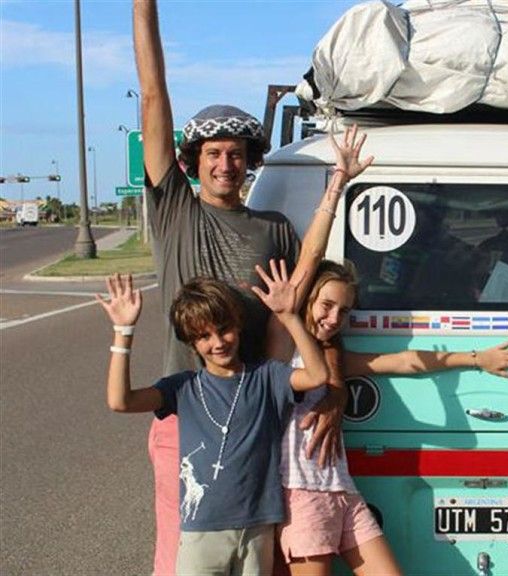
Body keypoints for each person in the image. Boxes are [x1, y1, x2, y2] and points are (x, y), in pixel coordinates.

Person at [133, 2, 341, 572]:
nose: (225, 164)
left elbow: (310, 310)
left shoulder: (273, 228)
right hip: (186, 414)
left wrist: (336, 390)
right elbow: (153, 96)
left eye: (235, 154)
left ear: (250, 162)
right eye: (212, 154)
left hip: (255, 417)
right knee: (182, 555)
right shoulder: (176, 210)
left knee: (256, 557)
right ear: (192, 163)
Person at [274, 259, 508, 576]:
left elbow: (404, 361)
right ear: (307, 300)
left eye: (344, 311)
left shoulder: (335, 360)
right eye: (326, 306)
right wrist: (328, 206)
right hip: (301, 495)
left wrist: (477, 359)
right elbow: (310, 257)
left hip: (343, 491)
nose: (333, 319)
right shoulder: (283, 353)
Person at [97, 265, 328, 576]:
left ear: (238, 324)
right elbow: (120, 401)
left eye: (224, 328)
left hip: (257, 527)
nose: (218, 342)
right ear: (191, 343)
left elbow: (318, 375)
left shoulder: (267, 377)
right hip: (201, 532)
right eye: (204, 336)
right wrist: (123, 332)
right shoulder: (182, 388)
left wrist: (289, 317)